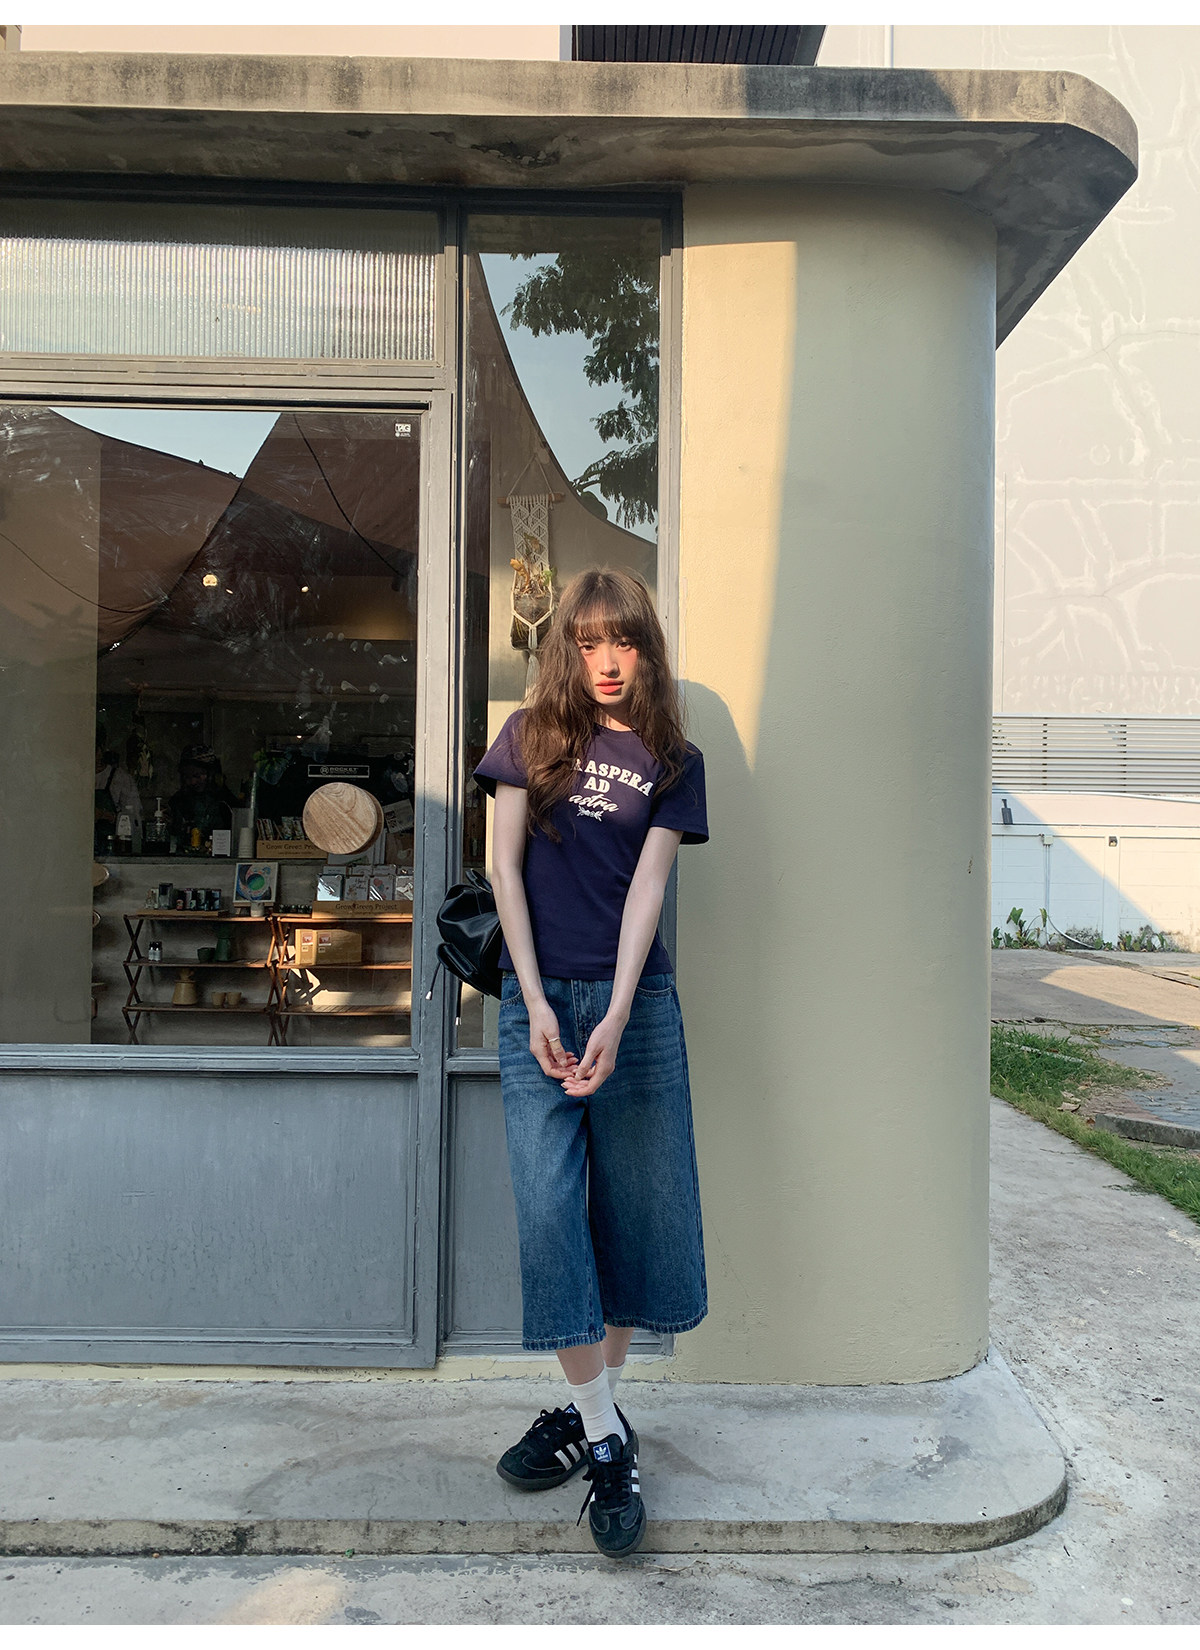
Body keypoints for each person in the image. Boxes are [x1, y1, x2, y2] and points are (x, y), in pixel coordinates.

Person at [473, 566, 709, 1559]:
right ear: (565, 648)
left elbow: (649, 891)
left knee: (633, 1218)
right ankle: (608, 1437)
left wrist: (613, 1013)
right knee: (549, 1216)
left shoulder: (673, 759)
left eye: (624, 641)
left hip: (634, 1011)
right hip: (537, 1006)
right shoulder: (527, 737)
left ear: (646, 650)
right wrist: (532, 1001)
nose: (607, 661)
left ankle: (585, 1415)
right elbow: (503, 869)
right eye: (587, 642)